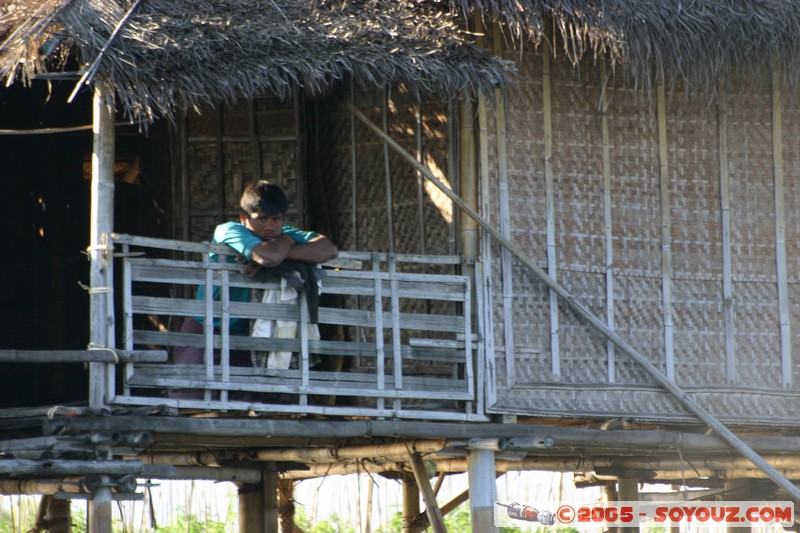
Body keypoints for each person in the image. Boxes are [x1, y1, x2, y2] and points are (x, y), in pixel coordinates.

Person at [169, 180, 338, 400]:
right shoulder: (229, 230)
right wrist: (278, 251)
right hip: (208, 327)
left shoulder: (283, 235)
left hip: (250, 333)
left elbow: (329, 249)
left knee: (249, 402)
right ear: (244, 218)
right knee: (191, 398)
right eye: (262, 219)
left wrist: (283, 247)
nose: (270, 226)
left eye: (276, 219)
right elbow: (267, 257)